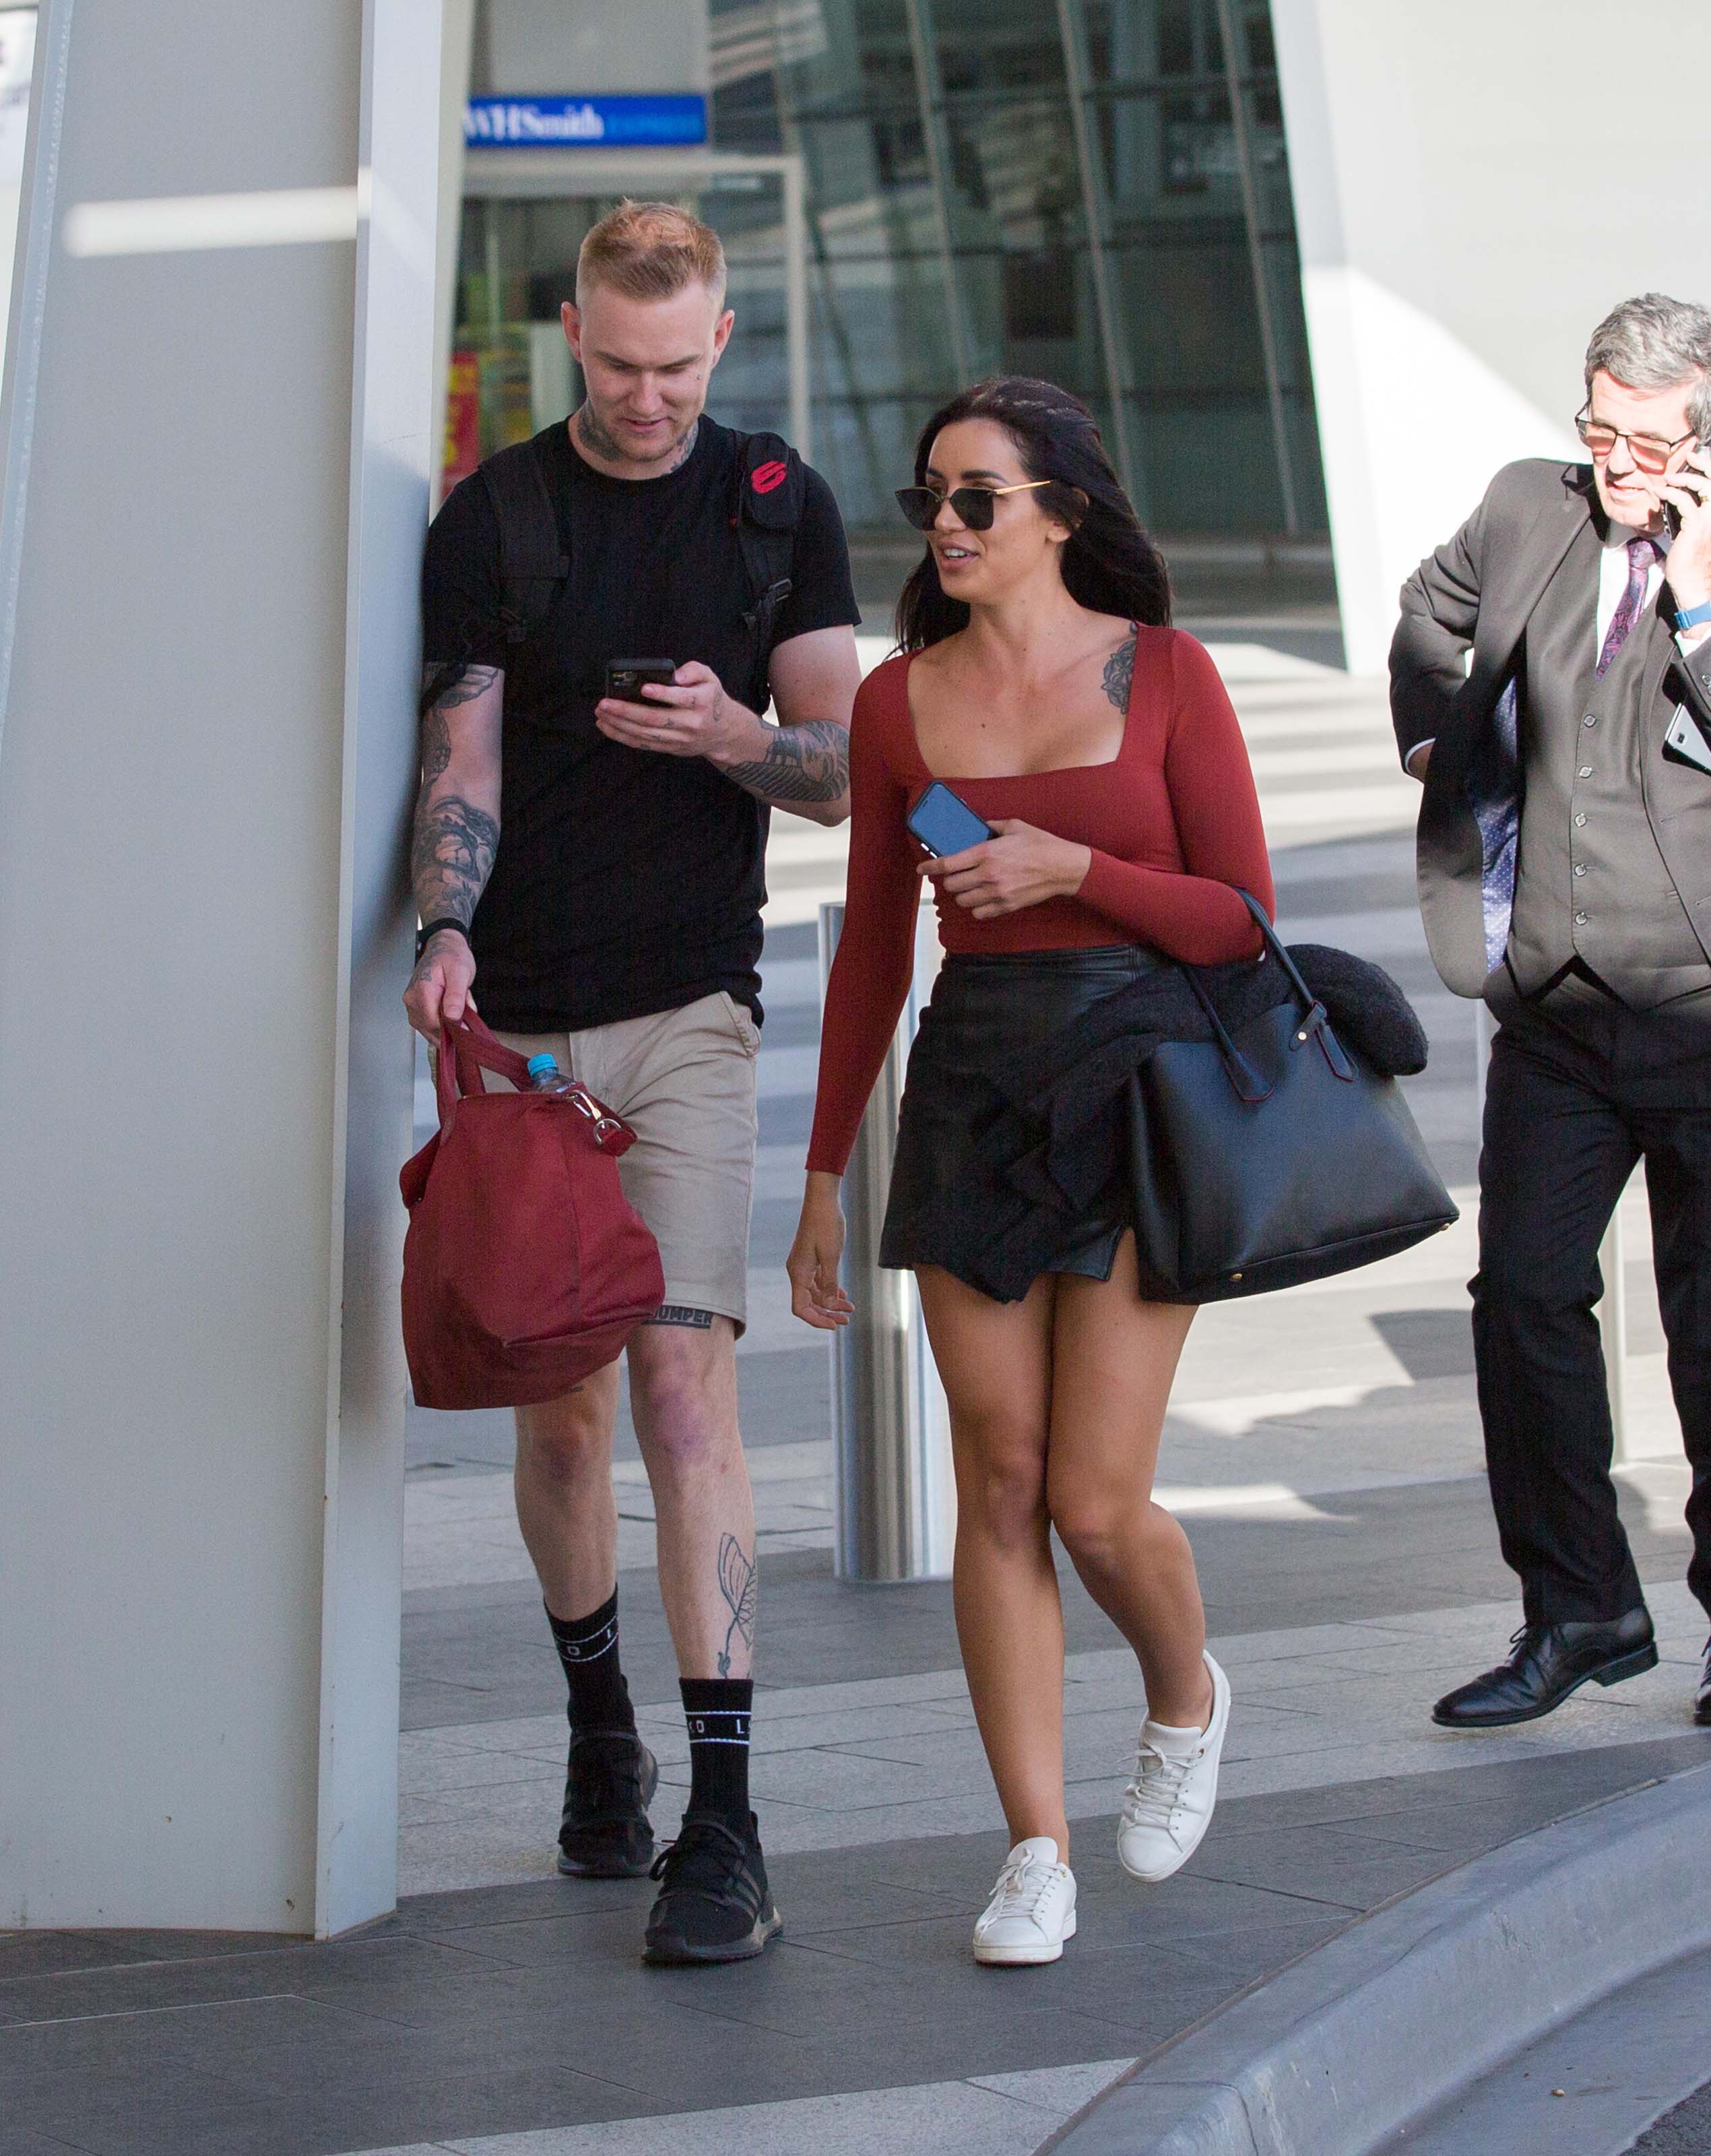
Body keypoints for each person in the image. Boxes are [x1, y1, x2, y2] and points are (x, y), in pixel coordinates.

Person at [406, 201, 861, 1963]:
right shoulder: (498, 518)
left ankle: (727, 1824)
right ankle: (601, 1729)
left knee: (686, 1397)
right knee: (564, 1410)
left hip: (690, 1016)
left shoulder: (777, 511)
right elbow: (465, 759)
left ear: (722, 338)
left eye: (677, 368)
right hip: (518, 1037)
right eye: (616, 364)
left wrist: (738, 741)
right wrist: (443, 927)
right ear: (570, 337)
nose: (649, 397)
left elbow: (840, 769)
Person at [787, 377, 1273, 1965]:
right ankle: (1033, 1848)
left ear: (1060, 510)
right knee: (992, 1482)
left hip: (1140, 1085)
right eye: (930, 494)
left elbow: (1242, 922)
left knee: (1092, 1496)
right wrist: (818, 1186)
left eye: (977, 496)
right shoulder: (891, 703)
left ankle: (1186, 1694)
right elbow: (870, 951)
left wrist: (1077, 868)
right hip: (976, 1083)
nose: (943, 521)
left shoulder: (1168, 676)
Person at [1392, 293, 1711, 1732]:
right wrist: (1431, 734)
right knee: (1520, 1296)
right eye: (1598, 426)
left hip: (1710, 1022)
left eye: (1648, 441)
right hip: (1552, 1006)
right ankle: (1576, 1604)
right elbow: (1428, 610)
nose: (1615, 463)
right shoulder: (1530, 507)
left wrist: (1701, 596)